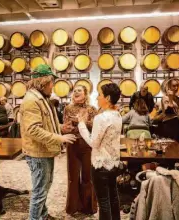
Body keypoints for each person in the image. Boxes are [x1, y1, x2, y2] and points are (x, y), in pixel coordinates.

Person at [20, 64, 76, 220]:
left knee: (45, 186)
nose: (53, 86)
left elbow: (46, 123)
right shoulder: (32, 100)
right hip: (37, 153)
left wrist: (61, 128)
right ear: (43, 82)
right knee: (39, 191)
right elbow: (33, 130)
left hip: (44, 150)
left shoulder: (41, 98)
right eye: (51, 82)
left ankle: (43, 215)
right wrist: (60, 138)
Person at [78, 83, 122, 220]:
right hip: (114, 163)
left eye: (100, 95)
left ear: (107, 98)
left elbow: (93, 143)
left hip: (100, 164)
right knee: (114, 198)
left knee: (103, 202)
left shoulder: (101, 118)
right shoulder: (118, 115)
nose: (97, 98)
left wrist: (81, 124)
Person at [62, 85, 97, 215]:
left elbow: (94, 126)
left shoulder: (91, 109)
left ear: (85, 94)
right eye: (74, 90)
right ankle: (73, 207)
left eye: (79, 90)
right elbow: (66, 126)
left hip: (87, 145)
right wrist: (67, 128)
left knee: (88, 177)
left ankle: (88, 208)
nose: (76, 92)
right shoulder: (68, 108)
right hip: (72, 143)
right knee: (73, 177)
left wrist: (81, 122)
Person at [161, 79, 179, 144]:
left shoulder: (178, 99)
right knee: (171, 147)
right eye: (174, 86)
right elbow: (168, 111)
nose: (176, 88)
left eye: (177, 86)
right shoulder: (165, 98)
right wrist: (170, 99)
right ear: (168, 87)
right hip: (170, 124)